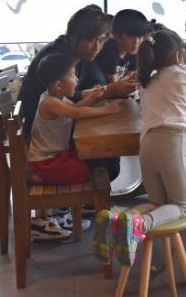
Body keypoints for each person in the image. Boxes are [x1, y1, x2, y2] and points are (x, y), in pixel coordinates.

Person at [92, 30, 186, 267]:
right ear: (179, 56)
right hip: (172, 143)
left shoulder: (147, 82)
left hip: (148, 145)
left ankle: (119, 219)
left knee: (159, 204)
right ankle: (139, 225)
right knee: (180, 207)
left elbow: (169, 109)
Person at [19, 6, 136, 182]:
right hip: (41, 138)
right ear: (73, 36)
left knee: (104, 153)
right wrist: (107, 93)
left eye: (101, 40)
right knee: (103, 160)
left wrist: (92, 94)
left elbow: (69, 99)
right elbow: (67, 105)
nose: (97, 47)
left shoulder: (72, 52)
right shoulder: (56, 58)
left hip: (53, 131)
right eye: (91, 40)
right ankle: (82, 194)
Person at [28, 54, 120, 239]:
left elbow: (76, 109)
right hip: (47, 161)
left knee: (91, 158)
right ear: (59, 85)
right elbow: (78, 113)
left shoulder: (57, 98)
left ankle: (62, 211)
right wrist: (106, 110)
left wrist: (92, 97)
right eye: (72, 75)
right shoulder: (50, 103)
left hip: (57, 155)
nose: (77, 79)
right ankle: (45, 184)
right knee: (86, 169)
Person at [95, 9, 149, 83]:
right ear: (117, 36)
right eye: (130, 37)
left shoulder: (134, 51)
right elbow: (114, 85)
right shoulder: (108, 50)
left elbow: (131, 77)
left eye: (140, 37)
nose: (136, 43)